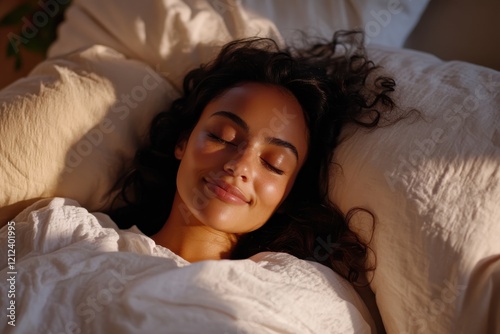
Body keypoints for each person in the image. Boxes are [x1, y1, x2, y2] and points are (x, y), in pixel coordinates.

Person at [108, 30, 398, 285]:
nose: (239, 165)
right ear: (183, 141)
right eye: (222, 136)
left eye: (273, 163)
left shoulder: (290, 293)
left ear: (289, 195)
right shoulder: (79, 236)